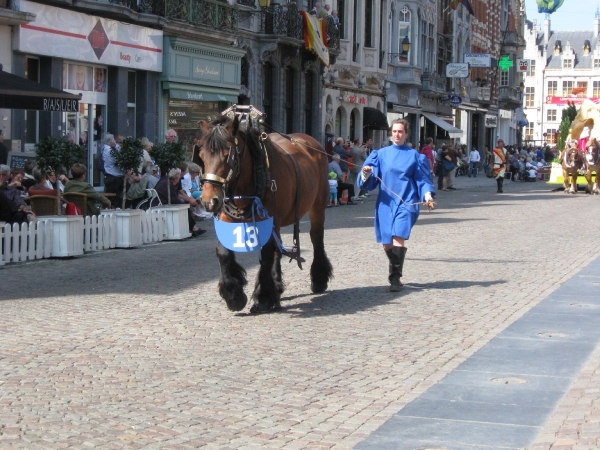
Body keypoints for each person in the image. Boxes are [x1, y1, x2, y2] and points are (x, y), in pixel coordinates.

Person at [358, 119, 435, 292]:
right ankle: (395, 268)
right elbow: (367, 183)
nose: (397, 135)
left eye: (400, 132)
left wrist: (428, 196)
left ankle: (395, 278)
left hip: (407, 202)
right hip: (386, 204)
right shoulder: (380, 154)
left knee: (398, 235)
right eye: (394, 131)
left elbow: (422, 179)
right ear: (391, 133)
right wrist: (365, 173)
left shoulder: (415, 156)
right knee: (387, 243)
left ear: (406, 134)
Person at [153, 168, 206, 237]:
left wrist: (188, 200)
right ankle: (193, 228)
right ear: (175, 179)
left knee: (185, 206)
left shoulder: (168, 182)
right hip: (161, 203)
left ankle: (192, 227)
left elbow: (178, 194)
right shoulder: (167, 184)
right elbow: (174, 199)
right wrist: (187, 203)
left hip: (163, 201)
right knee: (184, 207)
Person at [101, 133, 125, 205]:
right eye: (114, 140)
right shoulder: (110, 151)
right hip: (114, 177)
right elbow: (119, 160)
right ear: (111, 142)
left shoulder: (105, 149)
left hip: (111, 176)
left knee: (111, 197)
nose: (115, 142)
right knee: (113, 198)